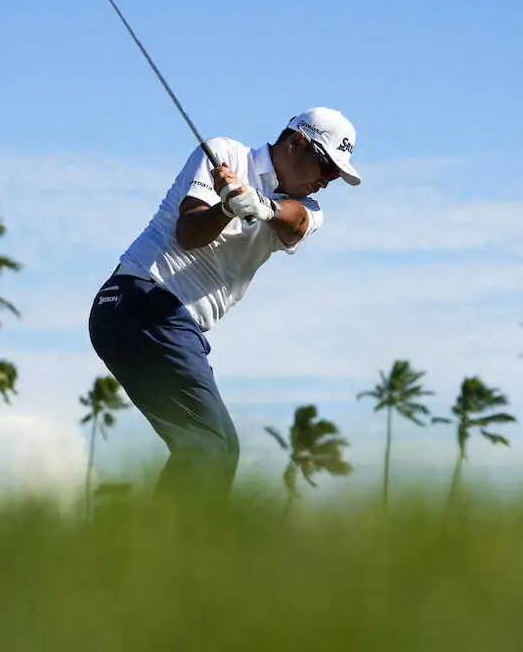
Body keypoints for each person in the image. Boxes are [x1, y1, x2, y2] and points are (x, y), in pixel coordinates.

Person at [87, 106, 360, 508]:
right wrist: (226, 207)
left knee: (209, 445)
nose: (328, 181)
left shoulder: (309, 207)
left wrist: (260, 206)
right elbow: (189, 232)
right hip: (141, 301)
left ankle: (143, 548)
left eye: (336, 175)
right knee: (211, 444)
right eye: (326, 167)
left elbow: (295, 222)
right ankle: (164, 555)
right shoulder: (226, 154)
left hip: (157, 321)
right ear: (296, 142)